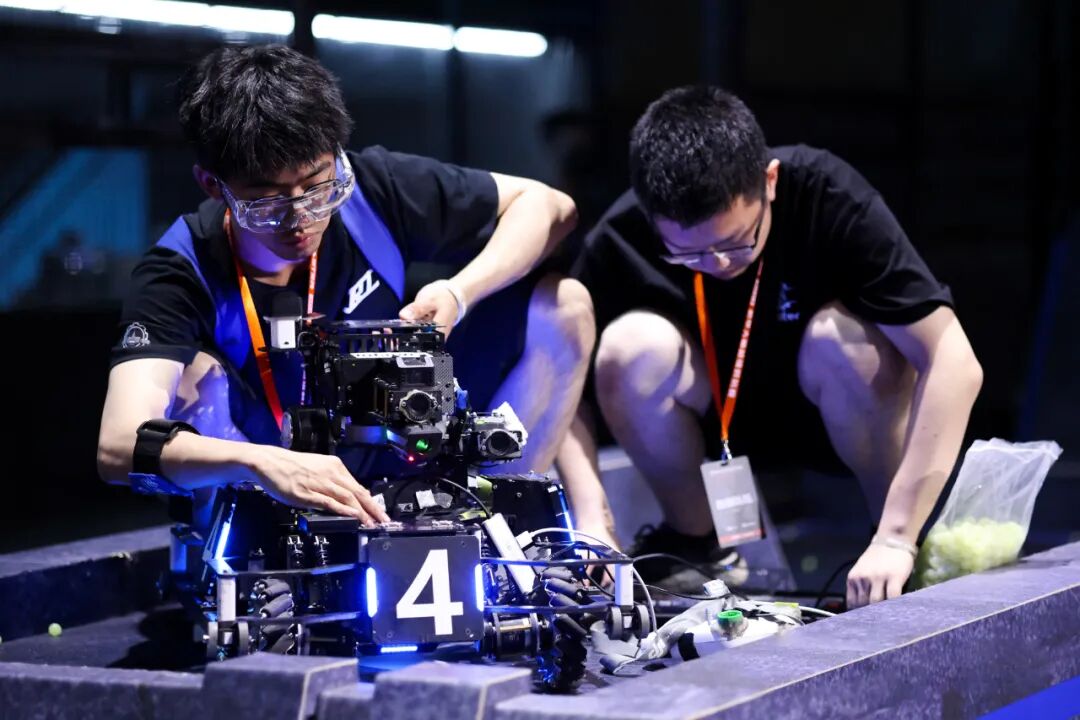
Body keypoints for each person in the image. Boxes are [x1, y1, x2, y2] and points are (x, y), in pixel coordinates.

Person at [96, 44, 594, 533]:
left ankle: (498, 531)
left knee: (564, 306)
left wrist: (460, 293)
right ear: (212, 185)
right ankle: (244, 553)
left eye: (317, 186)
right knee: (194, 379)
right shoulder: (180, 269)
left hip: (398, 447)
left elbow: (550, 207)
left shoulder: (373, 190)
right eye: (268, 202)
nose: (300, 218)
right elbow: (118, 445)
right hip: (266, 478)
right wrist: (261, 462)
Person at [560, 86, 983, 607]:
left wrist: (897, 536)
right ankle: (699, 547)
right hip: (710, 424)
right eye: (688, 254)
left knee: (845, 339)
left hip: (831, 410)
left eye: (737, 241)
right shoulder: (622, 235)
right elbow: (565, 386)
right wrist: (592, 520)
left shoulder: (829, 195)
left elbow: (954, 361)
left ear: (770, 182)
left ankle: (899, 544)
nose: (717, 264)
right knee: (628, 348)